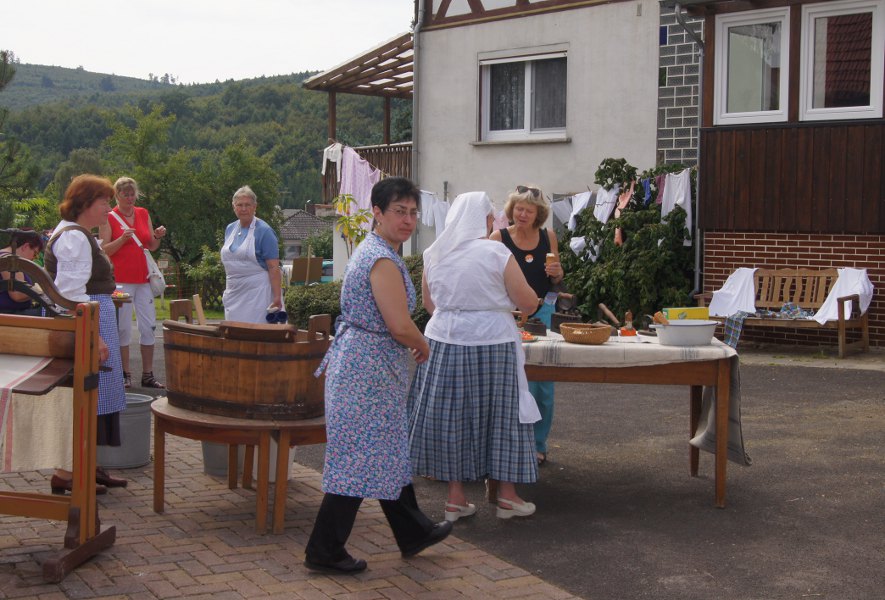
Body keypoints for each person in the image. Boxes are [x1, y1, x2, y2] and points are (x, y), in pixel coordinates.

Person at [305, 177, 451, 575]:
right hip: (365, 370)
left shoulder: (376, 250)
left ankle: (414, 531)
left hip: (366, 366)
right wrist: (422, 343)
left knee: (386, 450)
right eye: (399, 212)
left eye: (412, 212)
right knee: (357, 459)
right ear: (378, 213)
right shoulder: (382, 259)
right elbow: (399, 324)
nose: (408, 220)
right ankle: (324, 549)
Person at [409, 191, 541, 521]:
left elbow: (429, 305)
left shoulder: (434, 253)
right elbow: (527, 302)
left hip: (444, 340)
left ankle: (455, 499)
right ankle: (507, 496)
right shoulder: (495, 252)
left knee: (452, 417)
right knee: (503, 414)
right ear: (481, 220)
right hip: (493, 341)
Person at [43, 174, 128, 493]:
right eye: (104, 202)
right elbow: (71, 294)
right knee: (85, 398)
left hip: (94, 317)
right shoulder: (74, 237)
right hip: (87, 321)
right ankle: (68, 473)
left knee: (95, 398)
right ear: (85, 204)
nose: (108, 207)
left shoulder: (78, 234)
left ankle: (87, 467)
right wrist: (96, 337)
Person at [490, 185, 564, 466]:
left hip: (542, 313)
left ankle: (538, 443)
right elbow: (487, 275)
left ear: (538, 214)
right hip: (507, 313)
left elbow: (556, 281)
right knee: (508, 381)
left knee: (541, 383)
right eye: (518, 208)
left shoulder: (549, 237)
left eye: (528, 210)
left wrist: (557, 274)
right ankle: (507, 443)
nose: (522, 214)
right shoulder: (498, 237)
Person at [99, 177, 167, 389]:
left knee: (148, 326)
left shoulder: (142, 213)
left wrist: (157, 236)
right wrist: (122, 239)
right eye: (124, 194)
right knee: (123, 327)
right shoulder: (109, 217)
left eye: (131, 194)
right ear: (117, 196)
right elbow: (104, 250)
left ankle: (147, 373)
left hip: (143, 278)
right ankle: (124, 373)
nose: (129, 198)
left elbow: (151, 245)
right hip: (120, 280)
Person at [221, 185, 282, 323]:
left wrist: (277, 297)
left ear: (255, 206)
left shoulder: (265, 231)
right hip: (234, 294)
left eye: (247, 205)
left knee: (256, 337)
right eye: (239, 205)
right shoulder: (230, 229)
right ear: (234, 207)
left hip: (258, 296)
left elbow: (273, 267)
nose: (243, 209)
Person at [0, 229, 45, 316]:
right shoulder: (10, 260)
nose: (34, 258)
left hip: (10, 313)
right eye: (35, 253)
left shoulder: (4, 256)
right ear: (26, 246)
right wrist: (40, 290)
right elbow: (18, 295)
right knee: (49, 314)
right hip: (9, 314)